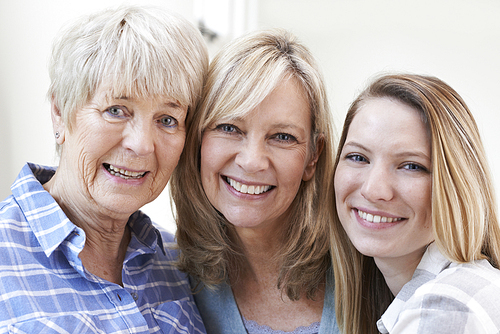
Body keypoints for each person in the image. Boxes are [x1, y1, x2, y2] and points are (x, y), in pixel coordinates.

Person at [0, 6, 208, 333]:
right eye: (116, 110)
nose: (141, 145)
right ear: (59, 112)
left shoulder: (181, 263)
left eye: (167, 120)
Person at [170, 29, 339, 333]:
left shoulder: (369, 272)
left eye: (282, 137)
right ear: (197, 141)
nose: (251, 161)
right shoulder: (165, 279)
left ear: (313, 156)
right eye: (229, 127)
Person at [331, 73, 500, 334]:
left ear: (457, 185)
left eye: (411, 166)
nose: (373, 190)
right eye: (358, 157)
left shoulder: (445, 309)